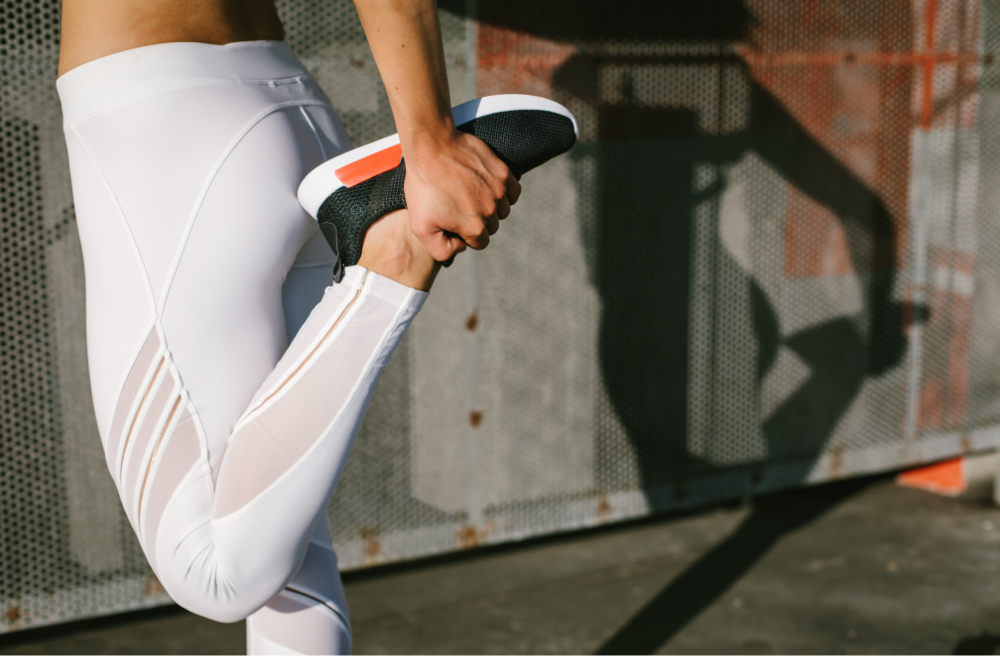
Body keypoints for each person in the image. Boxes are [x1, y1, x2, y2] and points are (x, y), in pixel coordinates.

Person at [57, 0, 520, 653]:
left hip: (161, 126)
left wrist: (430, 145)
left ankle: (389, 264)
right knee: (280, 538)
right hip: (285, 106)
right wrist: (428, 140)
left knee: (213, 571)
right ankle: (382, 262)